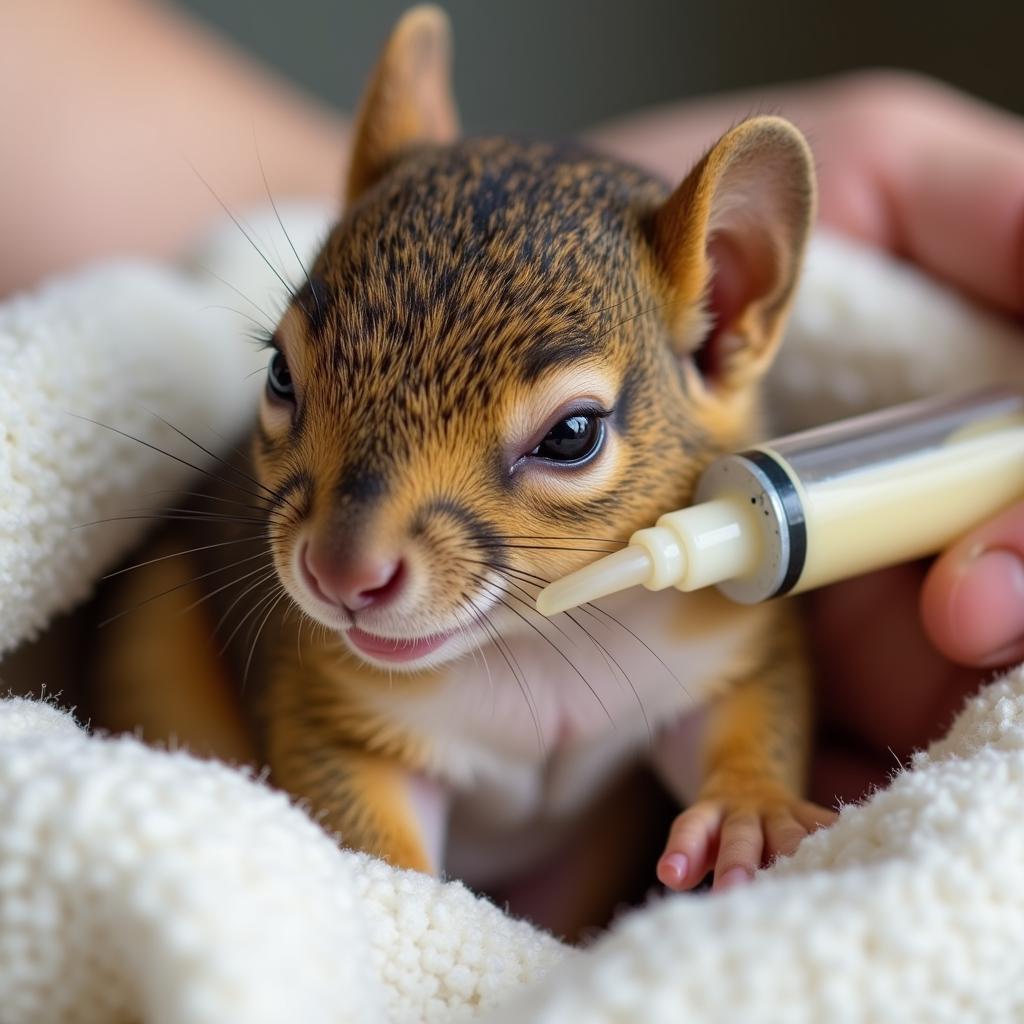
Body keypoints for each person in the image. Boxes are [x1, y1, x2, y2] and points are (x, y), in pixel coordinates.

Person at [3, 0, 1022, 805]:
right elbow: (345, 771)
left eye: (565, 436)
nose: (347, 560)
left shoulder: (712, 578)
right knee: (158, 629)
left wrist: (743, 790)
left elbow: (744, 687)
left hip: (583, 871)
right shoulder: (343, 633)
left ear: (724, 315)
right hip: (228, 738)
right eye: (289, 381)